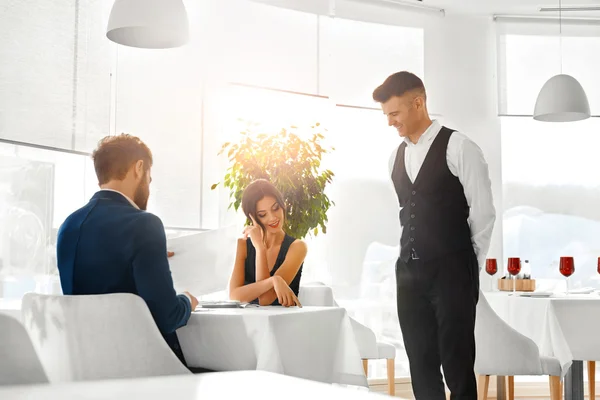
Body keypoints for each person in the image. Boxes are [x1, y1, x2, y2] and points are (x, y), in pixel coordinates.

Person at [372, 71, 495, 400]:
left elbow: (483, 213)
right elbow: (408, 210)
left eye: (394, 114)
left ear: (418, 103)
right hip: (409, 275)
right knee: (420, 364)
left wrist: (468, 268)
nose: (390, 123)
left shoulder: (460, 147)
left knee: (457, 363)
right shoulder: (395, 157)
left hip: (453, 272)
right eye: (386, 116)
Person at [56, 133, 199, 366]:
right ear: (139, 168)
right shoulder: (145, 224)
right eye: (149, 179)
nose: (149, 187)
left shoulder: (68, 227)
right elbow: (167, 317)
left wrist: (149, 254)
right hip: (140, 367)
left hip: (87, 369)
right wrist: (187, 301)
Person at [228, 179, 306, 307]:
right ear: (253, 218)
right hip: (246, 322)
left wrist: (260, 249)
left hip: (283, 322)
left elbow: (265, 299)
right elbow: (234, 296)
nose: (272, 218)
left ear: (282, 205)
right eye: (262, 214)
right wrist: (273, 280)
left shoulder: (297, 247)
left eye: (275, 208)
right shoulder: (243, 245)